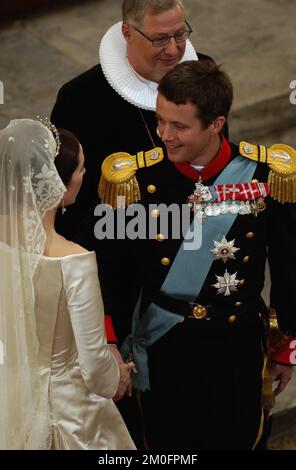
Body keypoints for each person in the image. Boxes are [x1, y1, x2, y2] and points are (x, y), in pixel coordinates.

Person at [98, 60, 296, 449]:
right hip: (165, 349)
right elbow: (112, 273)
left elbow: (290, 266)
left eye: (179, 126)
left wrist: (286, 347)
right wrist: (108, 343)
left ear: (216, 124)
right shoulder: (138, 182)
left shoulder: (264, 177)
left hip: (236, 349)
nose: (164, 136)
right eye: (160, 121)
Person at [50, 0, 213, 345]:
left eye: (180, 34)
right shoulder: (80, 98)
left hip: (198, 259)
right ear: (127, 32)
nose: (173, 50)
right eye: (160, 39)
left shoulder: (204, 73)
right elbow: (67, 206)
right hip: (123, 273)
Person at [0, 118, 136, 450]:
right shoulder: (73, 260)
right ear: (56, 183)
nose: (84, 176)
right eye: (80, 169)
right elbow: (94, 368)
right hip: (66, 412)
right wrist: (118, 375)